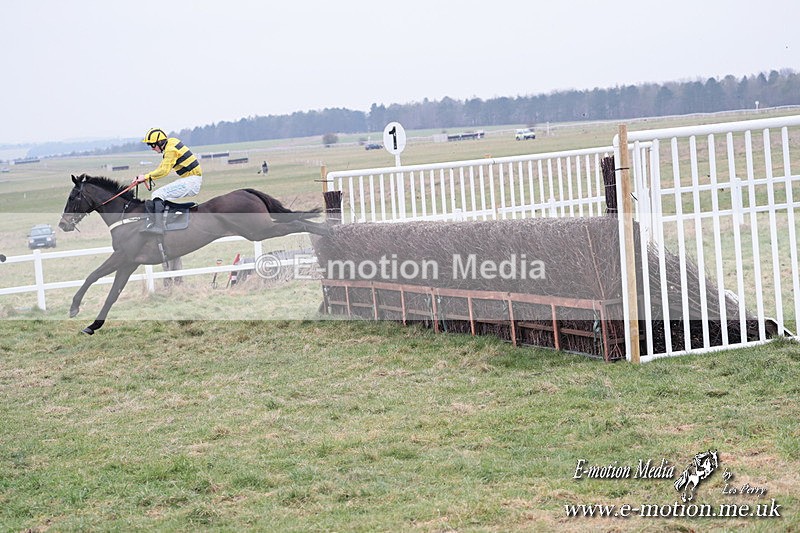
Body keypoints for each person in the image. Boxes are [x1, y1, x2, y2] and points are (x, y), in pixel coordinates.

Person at [133, 127, 203, 235]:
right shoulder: (171, 143)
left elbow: (163, 171)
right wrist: (143, 178)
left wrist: (146, 177)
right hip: (189, 180)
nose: (152, 148)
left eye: (152, 145)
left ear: (160, 142)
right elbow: (161, 167)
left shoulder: (170, 150)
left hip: (191, 181)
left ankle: (158, 227)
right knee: (160, 196)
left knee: (158, 194)